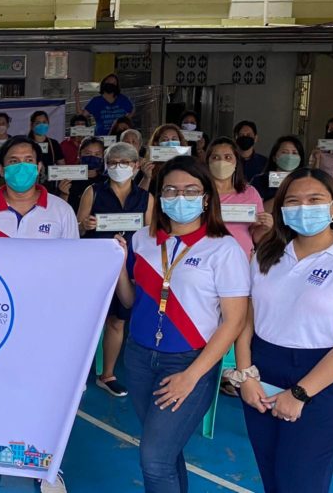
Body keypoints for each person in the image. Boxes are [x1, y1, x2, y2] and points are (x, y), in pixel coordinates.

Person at [234, 168, 333, 492]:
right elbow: (246, 320)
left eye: (314, 199)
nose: (304, 208)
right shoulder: (266, 255)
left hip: (321, 380)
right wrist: (245, 374)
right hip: (263, 375)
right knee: (272, 478)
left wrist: (301, 393)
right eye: (293, 201)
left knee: (301, 482)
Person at [114, 156, 250, 493]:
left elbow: (233, 322)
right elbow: (132, 302)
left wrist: (193, 376)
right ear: (159, 196)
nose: (180, 197)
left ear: (206, 198)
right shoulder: (142, 240)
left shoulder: (224, 249)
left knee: (154, 458)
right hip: (139, 357)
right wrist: (118, 266)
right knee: (165, 452)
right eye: (171, 190)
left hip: (189, 362)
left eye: (191, 190)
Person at [0, 135, 76, 493]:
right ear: (1, 167)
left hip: (43, 319)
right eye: (13, 160)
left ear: (39, 167)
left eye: (28, 159)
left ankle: (47, 465)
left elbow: (73, 268)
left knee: (44, 392)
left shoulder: (60, 212)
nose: (21, 166)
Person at [77, 142, 154, 399]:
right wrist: (86, 224)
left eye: (125, 162)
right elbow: (76, 230)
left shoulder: (146, 198)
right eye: (113, 162)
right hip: (93, 266)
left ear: (136, 166)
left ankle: (107, 374)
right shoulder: (93, 191)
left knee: (117, 320)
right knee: (86, 322)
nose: (118, 167)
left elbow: (151, 236)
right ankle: (75, 375)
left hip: (130, 265)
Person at [206, 137, 272, 259]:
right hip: (206, 258)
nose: (221, 162)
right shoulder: (200, 194)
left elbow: (256, 236)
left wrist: (264, 226)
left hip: (242, 260)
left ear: (236, 162)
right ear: (208, 162)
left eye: (228, 157)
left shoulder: (250, 193)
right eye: (215, 157)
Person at [249, 136, 305, 212]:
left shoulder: (305, 181)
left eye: (294, 153)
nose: (289, 156)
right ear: (274, 157)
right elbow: (255, 211)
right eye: (284, 152)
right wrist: (283, 194)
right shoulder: (260, 180)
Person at [138, 124, 185, 193]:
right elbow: (138, 197)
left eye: (174, 139)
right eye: (165, 140)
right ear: (156, 143)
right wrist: (146, 178)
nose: (170, 142)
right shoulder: (148, 167)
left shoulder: (188, 166)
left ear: (180, 142)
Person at [28, 110, 67, 192]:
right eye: (38, 123)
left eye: (44, 122)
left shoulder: (54, 144)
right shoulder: (25, 144)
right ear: (32, 126)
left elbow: (62, 166)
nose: (41, 125)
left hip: (49, 188)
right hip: (28, 186)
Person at [66, 137, 107, 212]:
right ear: (79, 154)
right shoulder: (69, 180)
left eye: (97, 154)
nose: (92, 157)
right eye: (88, 153)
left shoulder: (106, 181)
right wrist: (64, 194)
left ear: (102, 157)